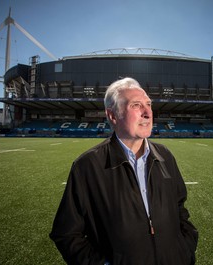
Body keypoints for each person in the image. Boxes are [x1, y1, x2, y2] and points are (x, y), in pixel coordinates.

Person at [50, 77, 198, 265]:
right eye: (136, 105)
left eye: (148, 104)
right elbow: (66, 233)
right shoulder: (88, 166)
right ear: (113, 115)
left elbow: (179, 209)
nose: (147, 113)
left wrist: (184, 250)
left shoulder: (165, 156)